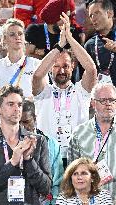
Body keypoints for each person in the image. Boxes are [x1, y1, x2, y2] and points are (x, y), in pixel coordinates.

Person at [32, 12, 97, 168]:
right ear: (50, 68)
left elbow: (91, 69)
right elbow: (37, 75)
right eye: (56, 66)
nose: (61, 71)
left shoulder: (81, 91)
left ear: (73, 66)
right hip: (47, 157)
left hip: (77, 157)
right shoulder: (43, 92)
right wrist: (59, 45)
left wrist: (69, 37)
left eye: (66, 66)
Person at [0, 85, 51, 205]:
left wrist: (29, 160)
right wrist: (12, 163)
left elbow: (46, 188)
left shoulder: (38, 141)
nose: (17, 109)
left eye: (19, 105)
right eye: (10, 104)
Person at [68, 83, 116, 202]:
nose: (108, 104)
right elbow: (70, 175)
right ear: (93, 103)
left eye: (112, 100)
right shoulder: (79, 134)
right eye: (103, 100)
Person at [20, 99, 64, 205]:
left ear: (35, 119)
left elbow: (57, 181)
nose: (22, 127)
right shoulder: (9, 142)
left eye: (26, 122)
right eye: (18, 122)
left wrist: (51, 201)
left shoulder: (51, 144)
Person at [0, 18, 40, 97]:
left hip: (30, 108)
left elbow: (43, 95)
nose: (17, 37)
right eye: (12, 34)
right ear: (5, 39)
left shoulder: (37, 64)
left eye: (20, 34)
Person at [84, 0, 116, 85]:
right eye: (91, 15)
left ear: (110, 14)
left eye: (97, 13)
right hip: (100, 95)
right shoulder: (89, 45)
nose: (93, 19)